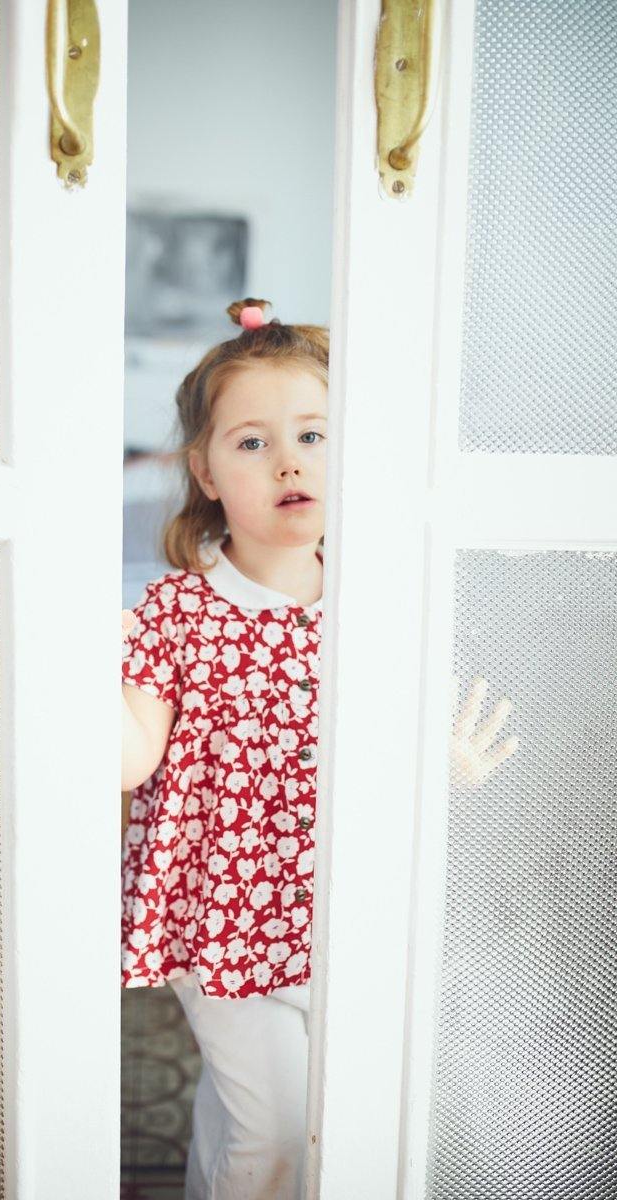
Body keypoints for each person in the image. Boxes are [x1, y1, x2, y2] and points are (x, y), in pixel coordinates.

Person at [120, 297, 519, 1199]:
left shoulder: (377, 601)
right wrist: (81, 681)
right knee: (277, 1137)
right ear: (206, 472)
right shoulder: (176, 611)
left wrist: (438, 770)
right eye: (252, 442)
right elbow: (131, 757)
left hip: (343, 911)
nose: (290, 460)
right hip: (222, 920)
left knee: (271, 1115)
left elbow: (389, 748)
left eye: (314, 435)